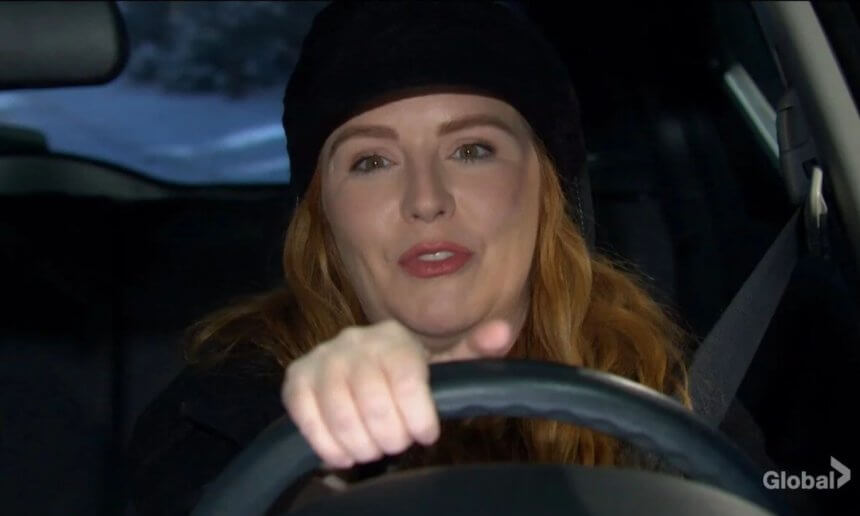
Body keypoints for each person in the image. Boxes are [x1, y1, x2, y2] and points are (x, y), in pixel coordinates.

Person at [125, 2, 692, 514]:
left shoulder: (658, 391)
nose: (425, 199)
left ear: (550, 191)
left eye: (472, 150)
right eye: (371, 162)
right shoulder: (218, 413)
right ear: (322, 217)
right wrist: (317, 472)